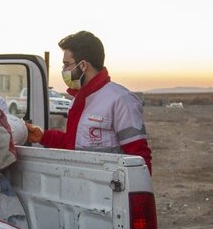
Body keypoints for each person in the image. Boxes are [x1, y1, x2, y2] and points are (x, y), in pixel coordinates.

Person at [28, 31, 152, 173]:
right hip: (84, 185)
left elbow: (139, 159)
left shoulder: (120, 100)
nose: (64, 70)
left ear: (83, 66)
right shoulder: (78, 100)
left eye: (66, 65)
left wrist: (138, 195)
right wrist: (43, 136)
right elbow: (73, 143)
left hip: (111, 189)